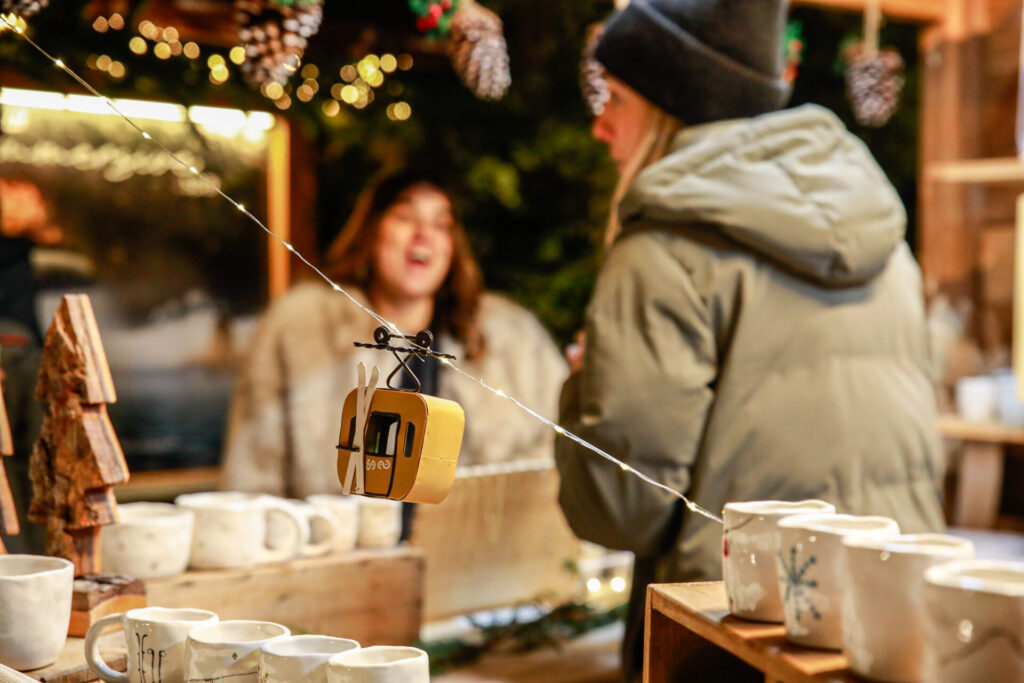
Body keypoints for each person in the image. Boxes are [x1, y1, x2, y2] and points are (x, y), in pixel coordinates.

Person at [554, 0, 946, 678]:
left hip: (738, 631)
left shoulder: (662, 249)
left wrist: (582, 386)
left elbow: (625, 508)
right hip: (898, 621)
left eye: (616, 97)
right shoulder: (885, 237)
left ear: (671, 105)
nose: (599, 125)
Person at [223, 169, 567, 504]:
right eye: (405, 217)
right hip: (341, 553)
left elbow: (554, 456)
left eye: (440, 224)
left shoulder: (509, 339)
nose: (423, 235)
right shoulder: (300, 330)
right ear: (371, 232)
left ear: (452, 246)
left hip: (470, 555)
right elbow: (253, 478)